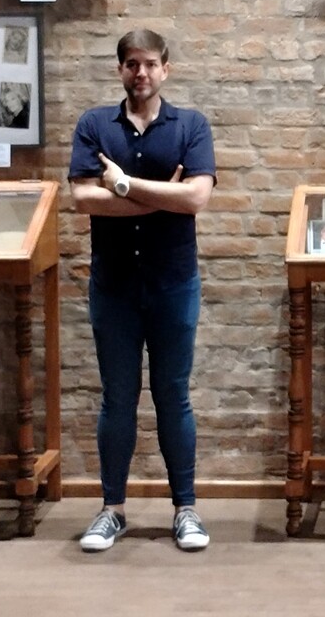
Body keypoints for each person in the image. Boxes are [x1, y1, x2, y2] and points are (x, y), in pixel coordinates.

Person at [69, 28, 218, 554]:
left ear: (165, 69)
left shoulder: (191, 126)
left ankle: (186, 509)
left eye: (151, 63)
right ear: (120, 70)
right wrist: (165, 195)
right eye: (132, 64)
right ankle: (111, 510)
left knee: (173, 395)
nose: (142, 73)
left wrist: (124, 184)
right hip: (113, 286)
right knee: (118, 397)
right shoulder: (94, 125)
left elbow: (196, 198)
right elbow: (82, 199)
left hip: (174, 283)